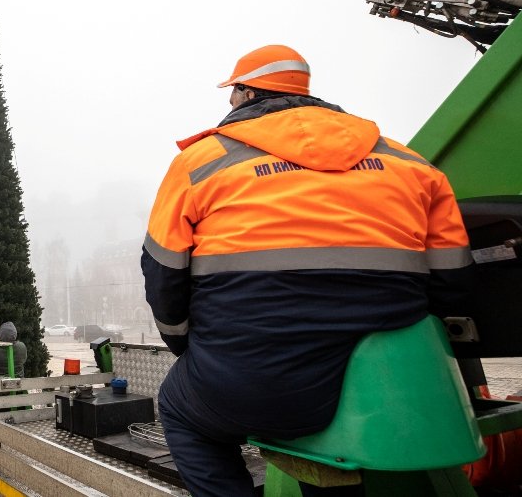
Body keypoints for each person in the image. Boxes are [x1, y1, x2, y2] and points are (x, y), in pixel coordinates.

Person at [141, 45, 473, 497]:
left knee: (181, 410)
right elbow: (453, 279)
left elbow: (164, 275)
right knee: (326, 431)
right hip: (382, 383)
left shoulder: (199, 165)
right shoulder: (410, 164)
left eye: (232, 94)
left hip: (254, 376)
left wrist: (185, 344)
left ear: (244, 92)